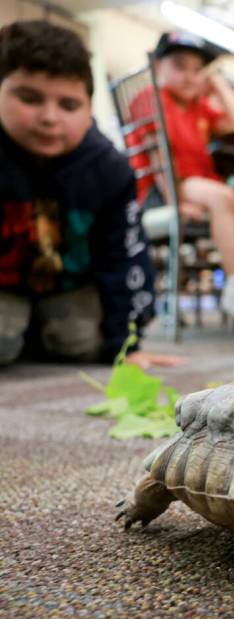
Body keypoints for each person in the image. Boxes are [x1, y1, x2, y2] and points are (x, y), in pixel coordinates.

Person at [0, 19, 181, 369]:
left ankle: (39, 333)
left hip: (71, 286)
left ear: (88, 108)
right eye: (29, 98)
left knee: (80, 343)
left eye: (69, 105)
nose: (49, 117)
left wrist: (127, 342)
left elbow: (125, 257)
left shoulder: (109, 169)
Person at [130, 31, 234, 319]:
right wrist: (174, 201)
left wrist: (218, 85)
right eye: (179, 66)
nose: (191, 76)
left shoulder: (198, 107)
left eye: (198, 69)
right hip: (161, 190)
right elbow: (160, 158)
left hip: (198, 187)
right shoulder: (150, 98)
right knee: (224, 197)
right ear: (157, 67)